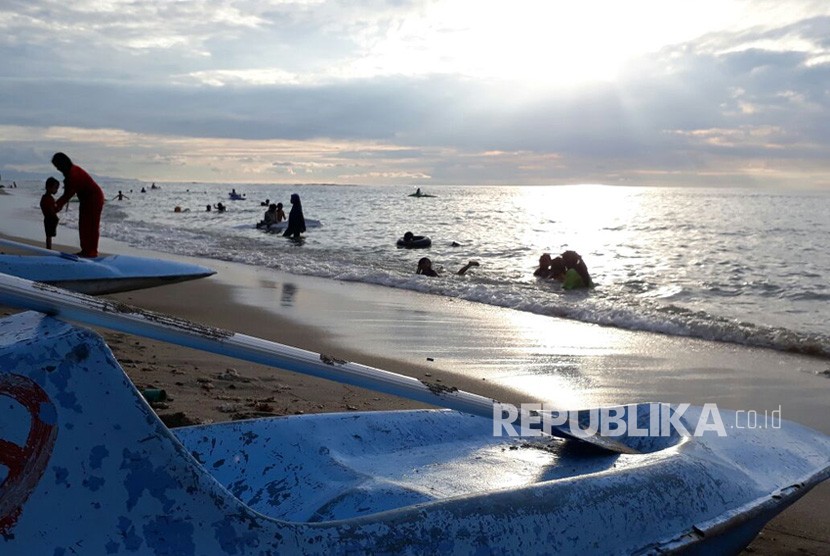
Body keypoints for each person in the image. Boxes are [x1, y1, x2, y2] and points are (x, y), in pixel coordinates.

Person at [52, 152, 105, 258]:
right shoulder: (70, 174)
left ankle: (92, 252)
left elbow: (68, 195)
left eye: (58, 166)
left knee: (92, 226)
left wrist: (56, 206)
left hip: (94, 198)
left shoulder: (74, 174)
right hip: (85, 199)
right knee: (83, 225)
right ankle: (85, 250)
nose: (58, 169)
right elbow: (67, 193)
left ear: (63, 164)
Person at [40, 177, 60, 250]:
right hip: (50, 219)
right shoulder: (48, 199)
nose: (56, 190)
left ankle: (49, 249)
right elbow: (51, 211)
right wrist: (57, 210)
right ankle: (49, 249)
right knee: (49, 236)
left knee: (49, 236)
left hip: (48, 218)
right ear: (48, 187)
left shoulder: (45, 198)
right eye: (55, 188)